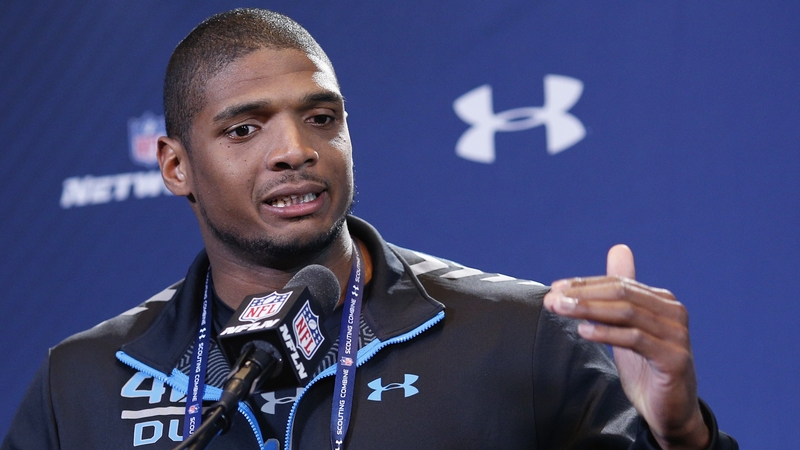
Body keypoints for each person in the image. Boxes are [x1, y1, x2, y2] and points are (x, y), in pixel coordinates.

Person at [2, 8, 737, 450]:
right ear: (174, 165)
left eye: (321, 118)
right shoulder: (83, 384)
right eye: (245, 127)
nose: (295, 149)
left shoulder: (518, 335)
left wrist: (682, 437)